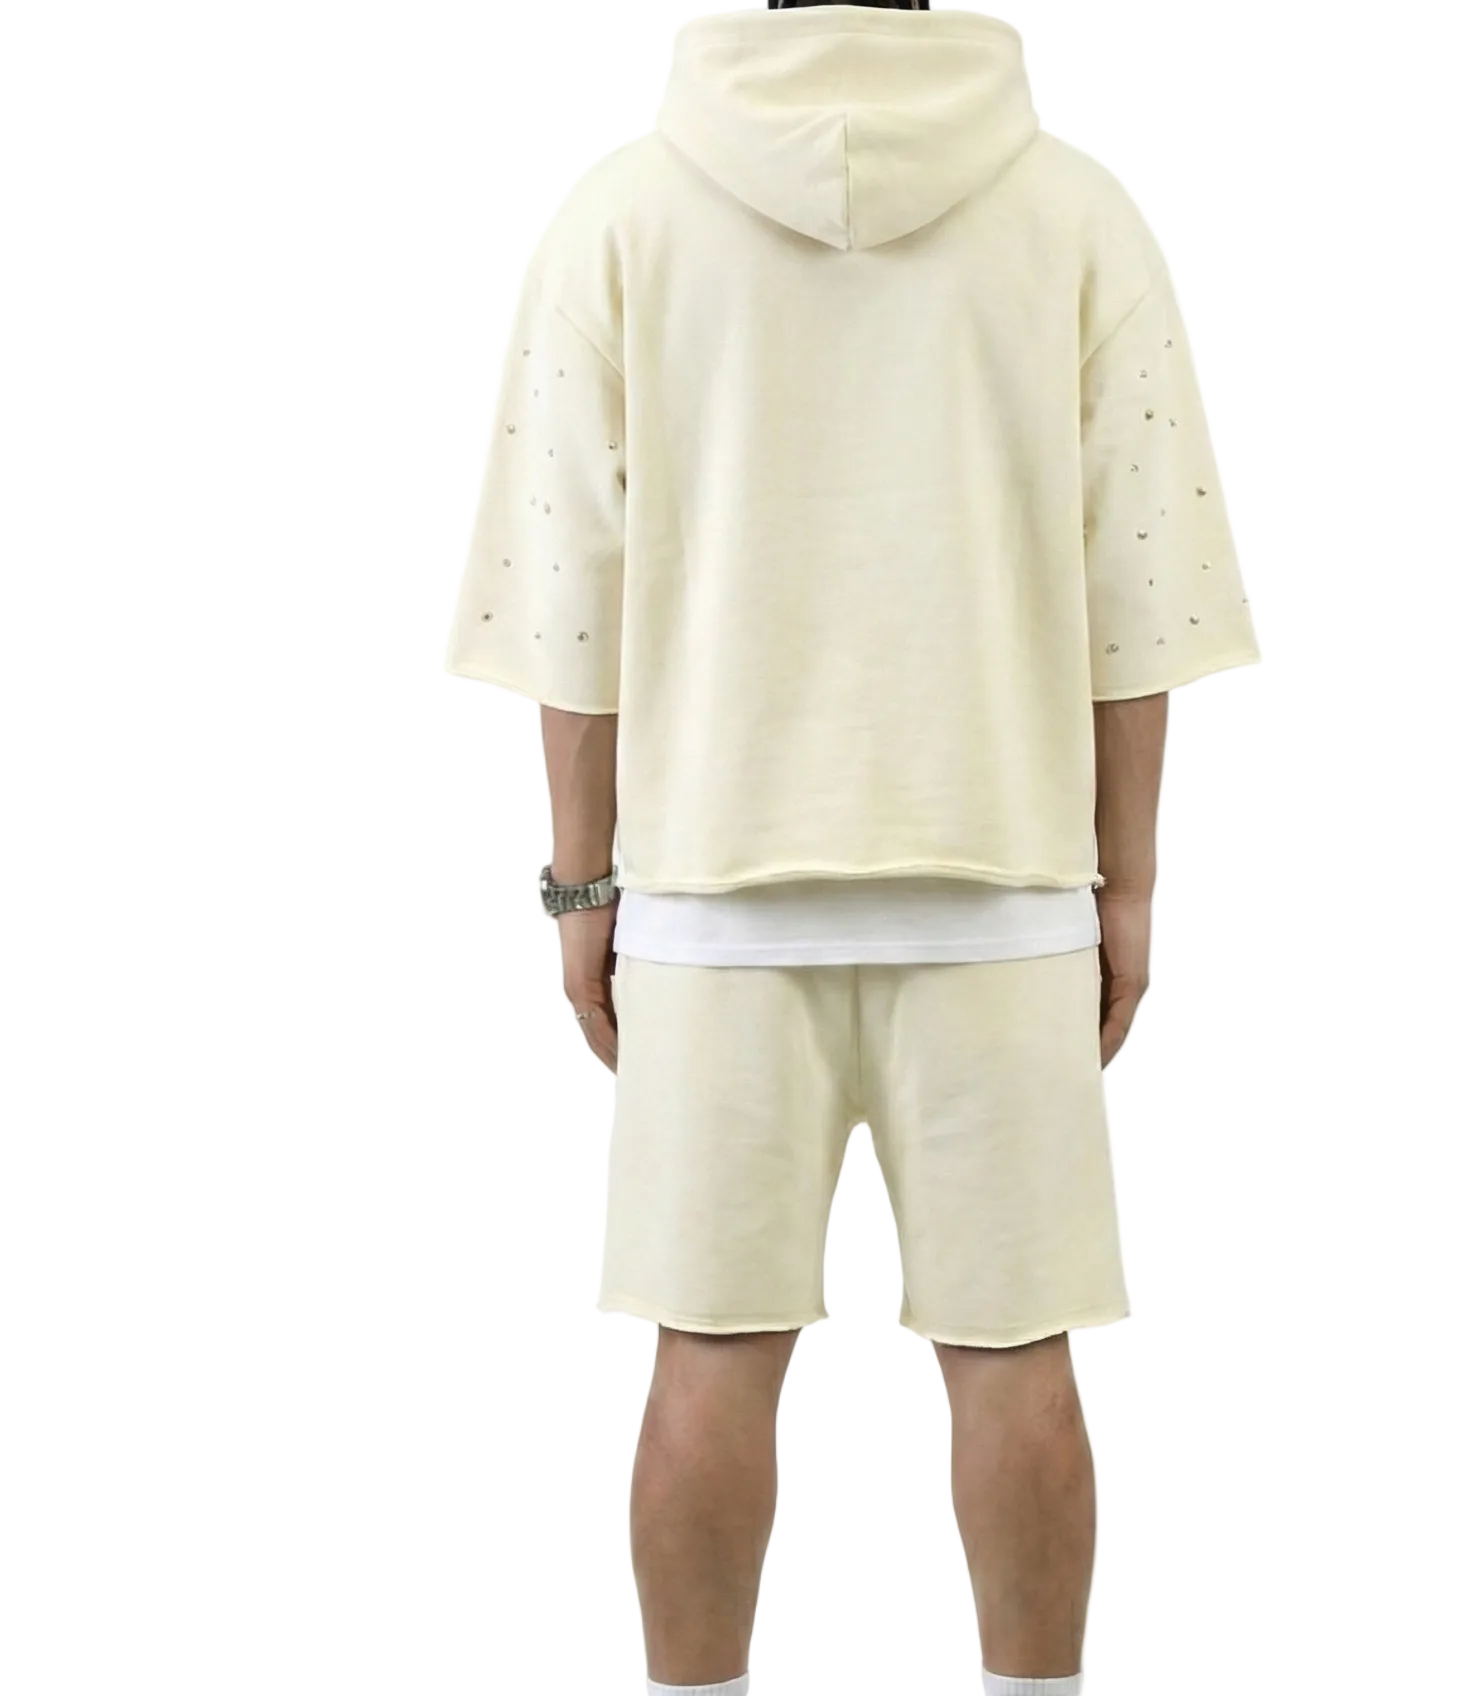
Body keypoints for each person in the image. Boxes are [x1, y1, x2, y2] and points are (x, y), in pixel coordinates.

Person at [444, 4, 1259, 1692]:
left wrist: (583, 884)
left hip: (709, 896)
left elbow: (569, 595)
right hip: (1005, 887)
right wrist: (1129, 882)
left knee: (707, 1355)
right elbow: (1140, 595)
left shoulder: (622, 215)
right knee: (1016, 1356)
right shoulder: (1074, 212)